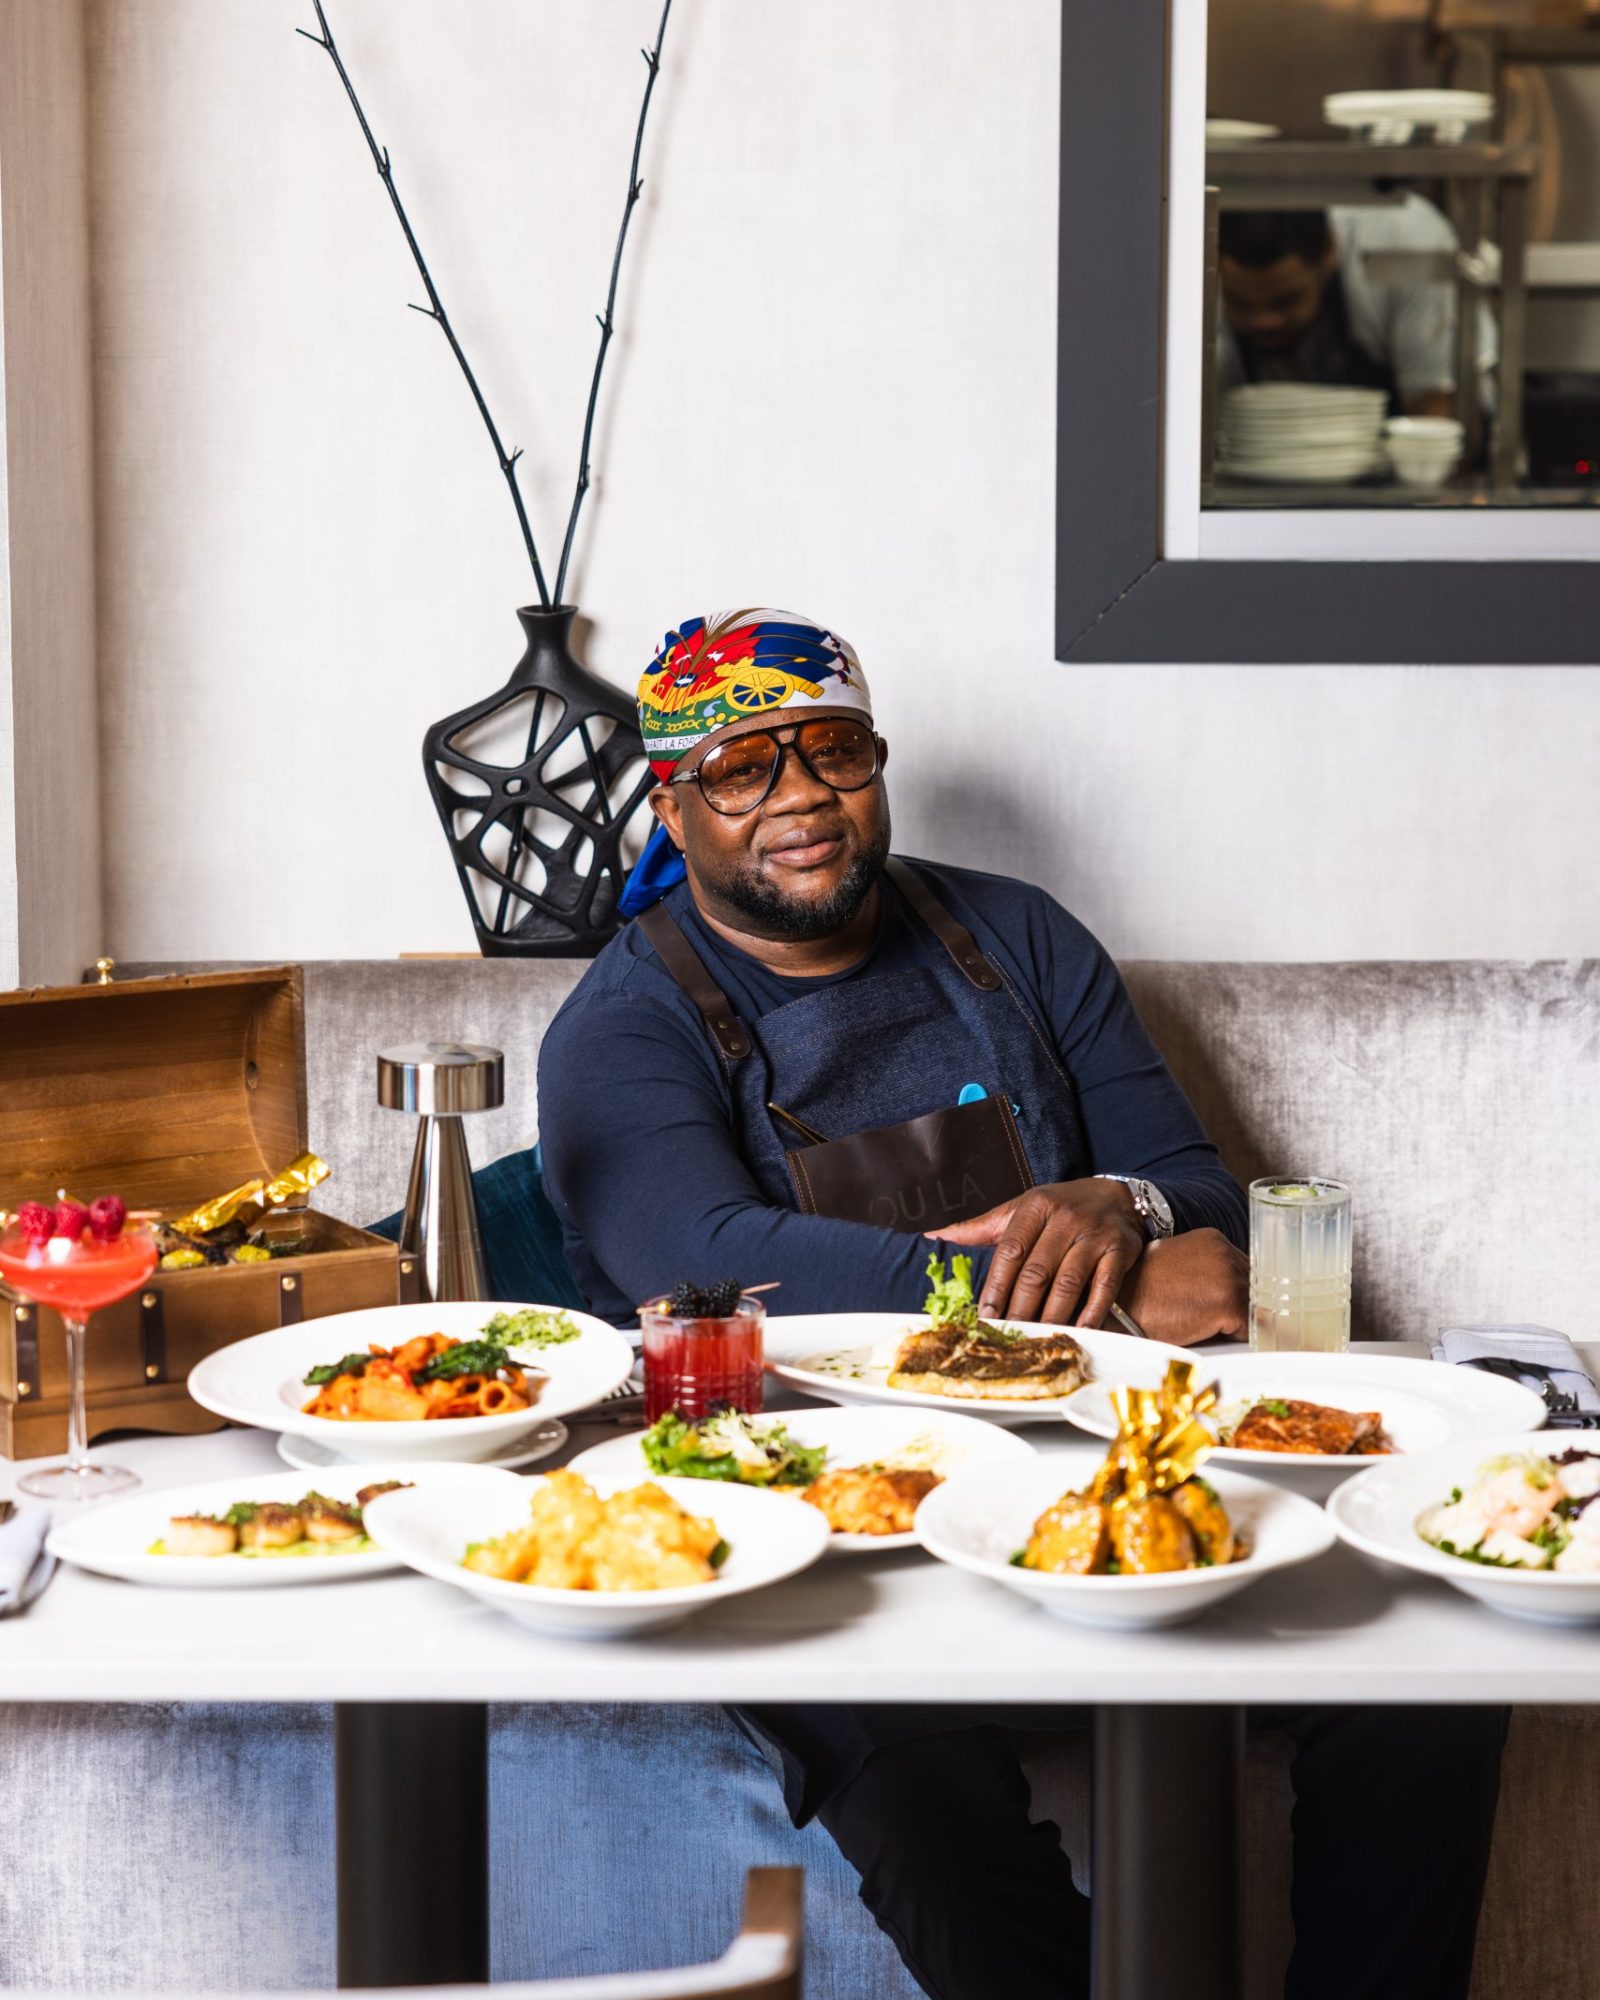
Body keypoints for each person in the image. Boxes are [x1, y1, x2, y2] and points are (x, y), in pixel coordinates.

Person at [537, 609, 1506, 2000]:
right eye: (745, 767)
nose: (803, 794)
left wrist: (1125, 1205)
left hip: (1108, 1476)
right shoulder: (625, 1026)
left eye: (835, 751)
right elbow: (704, 1263)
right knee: (925, 1803)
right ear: (672, 806)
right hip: (823, 1522)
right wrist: (1088, 1297)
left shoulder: (1015, 934)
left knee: (1427, 1693)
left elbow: (1203, 1205)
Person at [1216, 198, 1496, 420]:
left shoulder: (1403, 244)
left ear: (1330, 251)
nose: (1264, 321)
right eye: (1239, 303)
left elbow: (1441, 421)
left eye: (1286, 301)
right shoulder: (1189, 263)